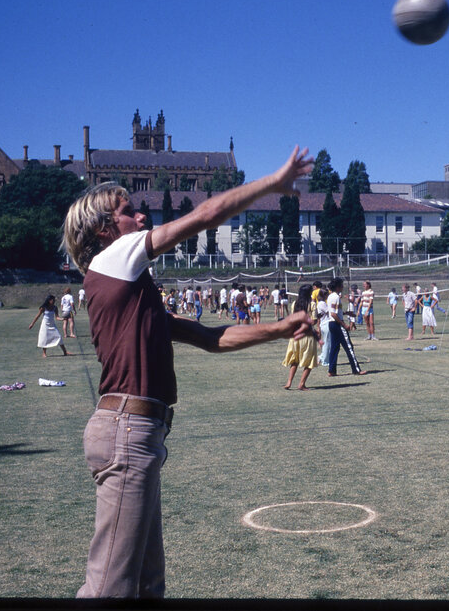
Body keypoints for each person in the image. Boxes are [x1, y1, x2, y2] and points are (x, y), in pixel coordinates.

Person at [62, 145, 313, 599]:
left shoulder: (134, 293)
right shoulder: (114, 259)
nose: (140, 218)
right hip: (126, 430)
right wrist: (272, 185)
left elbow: (210, 337)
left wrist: (280, 329)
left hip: (140, 433)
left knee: (146, 585)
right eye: (128, 212)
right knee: (108, 591)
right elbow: (205, 215)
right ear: (103, 231)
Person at [325, 277, 368, 377]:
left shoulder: (331, 296)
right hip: (337, 324)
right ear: (337, 286)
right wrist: (344, 324)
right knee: (349, 347)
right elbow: (333, 314)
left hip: (332, 324)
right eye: (341, 285)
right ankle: (356, 370)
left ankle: (331, 370)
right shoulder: (335, 297)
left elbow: (335, 312)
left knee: (334, 348)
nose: (342, 287)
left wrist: (346, 313)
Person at [283, 284, 320, 391]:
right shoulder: (312, 304)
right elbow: (314, 320)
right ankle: (301, 384)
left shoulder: (294, 304)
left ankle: (289, 382)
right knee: (310, 360)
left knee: (295, 359)